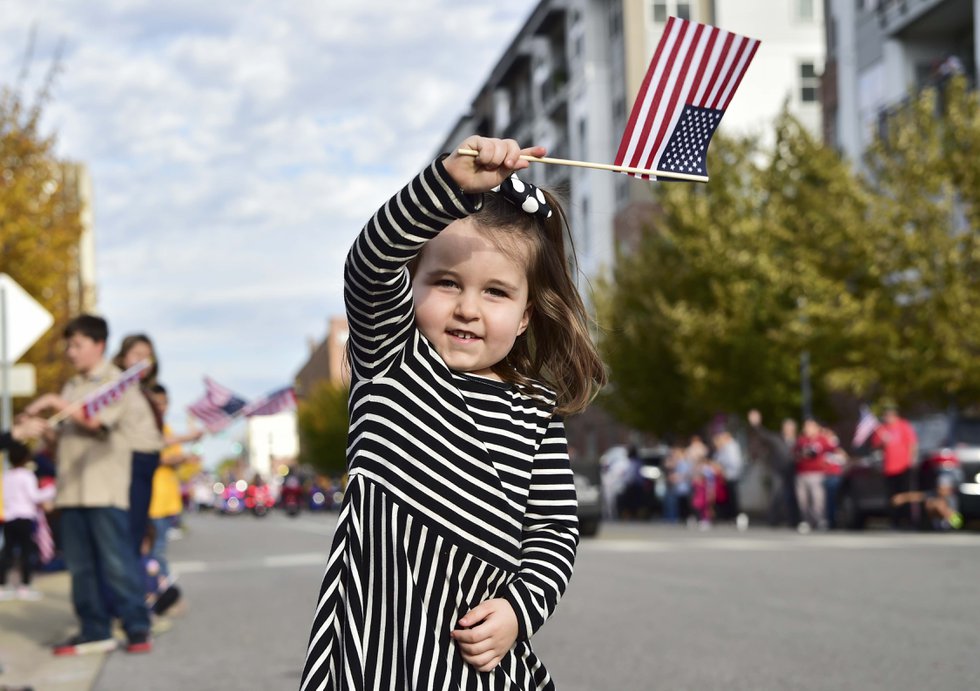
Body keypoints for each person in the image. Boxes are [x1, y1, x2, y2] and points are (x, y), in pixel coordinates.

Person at [300, 136, 605, 690]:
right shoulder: (392, 362)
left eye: (495, 292)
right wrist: (446, 183)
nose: (467, 307)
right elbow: (369, 264)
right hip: (374, 661)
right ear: (411, 288)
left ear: (523, 317)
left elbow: (554, 532)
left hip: (479, 669)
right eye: (445, 283)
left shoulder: (534, 409)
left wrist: (518, 611)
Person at [25, 314, 152, 655]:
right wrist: (45, 431)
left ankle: (137, 626)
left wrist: (54, 403)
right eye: (69, 344)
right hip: (71, 489)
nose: (71, 351)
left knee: (116, 561)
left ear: (99, 345)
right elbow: (64, 440)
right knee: (80, 568)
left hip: (104, 488)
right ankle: (94, 629)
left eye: (78, 344)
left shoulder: (116, 383)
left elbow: (96, 424)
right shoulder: (72, 386)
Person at [113, 334, 165, 557]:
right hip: (130, 464)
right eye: (137, 355)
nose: (144, 361)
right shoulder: (117, 388)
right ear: (124, 357)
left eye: (148, 356)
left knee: (138, 533)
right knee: (128, 534)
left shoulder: (142, 391)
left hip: (146, 466)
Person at [146, 384, 202, 579]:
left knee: (158, 548)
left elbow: (178, 465)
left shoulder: (166, 428)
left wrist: (188, 459)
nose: (161, 407)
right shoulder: (148, 428)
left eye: (164, 403)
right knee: (155, 550)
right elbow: (156, 457)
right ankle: (160, 589)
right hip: (152, 500)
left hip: (166, 500)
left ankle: (157, 586)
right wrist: (181, 454)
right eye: (157, 403)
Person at [0, 441, 55, 600]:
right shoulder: (27, 475)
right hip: (25, 517)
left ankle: (2, 585)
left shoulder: (6, 476)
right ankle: (24, 586)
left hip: (9, 517)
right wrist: (51, 489)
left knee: (7, 552)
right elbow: (35, 496)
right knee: (27, 552)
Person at [870, 400, 918, 529]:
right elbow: (876, 445)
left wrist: (911, 459)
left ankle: (908, 521)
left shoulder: (903, 426)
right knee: (891, 496)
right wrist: (882, 440)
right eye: (886, 414)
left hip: (903, 466)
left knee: (905, 495)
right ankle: (895, 521)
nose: (888, 416)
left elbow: (912, 443)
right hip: (889, 468)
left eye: (890, 413)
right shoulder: (882, 429)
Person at [746, 410, 795, 528]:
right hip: (778, 471)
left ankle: (794, 520)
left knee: (793, 497)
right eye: (786, 427)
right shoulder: (776, 439)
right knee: (776, 495)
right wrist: (756, 425)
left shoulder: (798, 440)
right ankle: (773, 520)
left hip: (793, 472)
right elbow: (764, 434)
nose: (788, 429)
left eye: (790, 427)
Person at [793, 419, 836, 533]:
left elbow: (833, 448)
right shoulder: (801, 440)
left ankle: (820, 520)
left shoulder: (822, 440)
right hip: (802, 473)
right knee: (803, 499)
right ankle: (806, 521)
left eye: (810, 426)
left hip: (816, 473)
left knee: (817, 499)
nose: (807, 429)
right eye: (806, 426)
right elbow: (795, 453)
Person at [713, 429, 747, 529]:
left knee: (733, 499)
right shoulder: (726, 447)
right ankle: (729, 517)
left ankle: (736, 517)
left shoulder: (731, 447)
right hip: (726, 476)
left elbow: (733, 462)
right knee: (727, 499)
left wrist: (722, 466)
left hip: (731, 475)